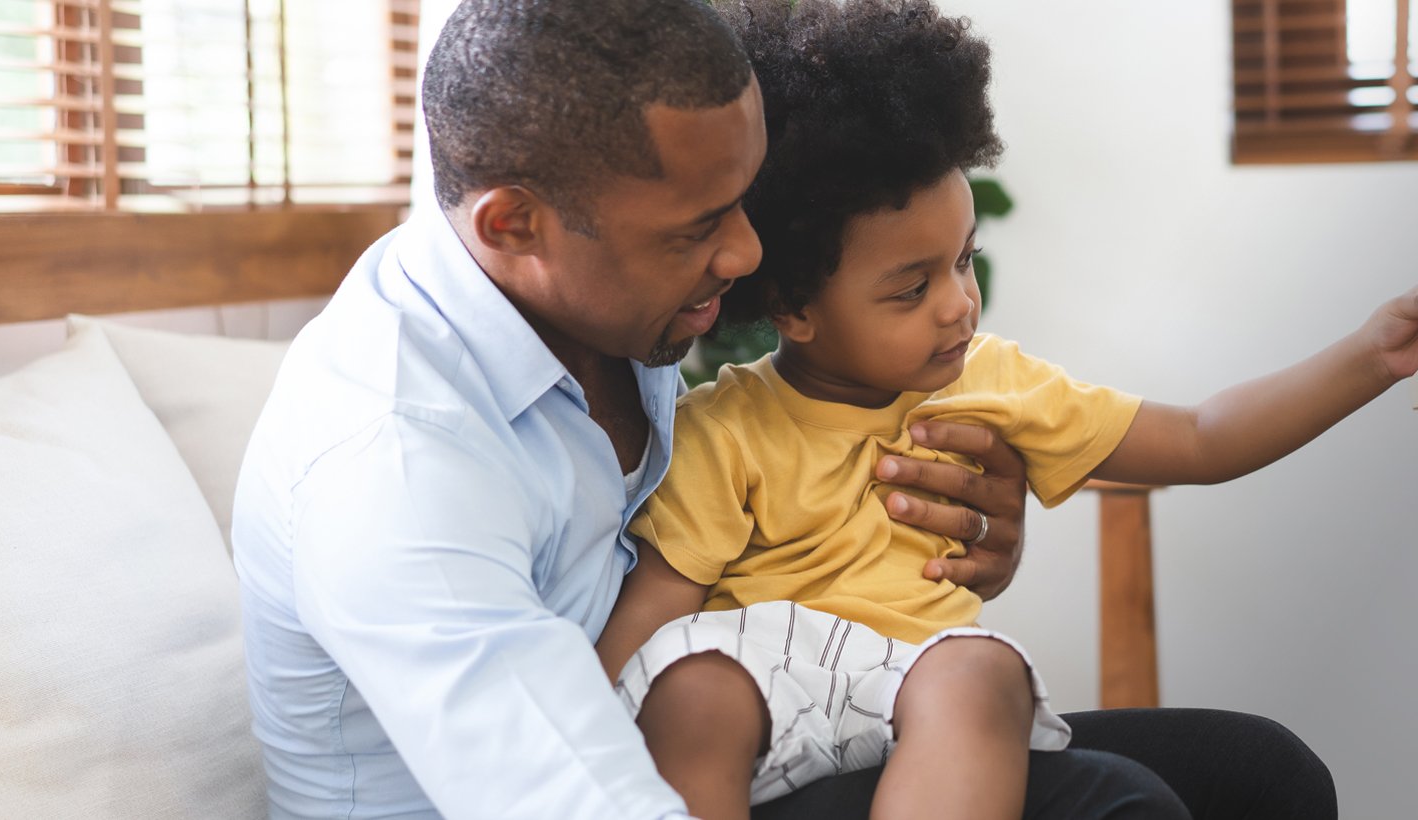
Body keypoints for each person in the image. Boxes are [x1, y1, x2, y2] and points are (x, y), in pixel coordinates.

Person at [232, 0, 1337, 818]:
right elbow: (567, 793)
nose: (750, 256)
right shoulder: (389, 459)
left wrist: (961, 529)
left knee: (1262, 777)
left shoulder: (617, 298)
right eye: (698, 226)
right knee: (1116, 806)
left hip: (750, 715)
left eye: (744, 201)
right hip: (606, 784)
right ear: (513, 224)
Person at [597, 1, 1418, 819]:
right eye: (911, 289)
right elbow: (649, 619)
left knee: (983, 670)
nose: (959, 304)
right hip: (766, 705)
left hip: (916, 701)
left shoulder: (995, 382)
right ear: (791, 308)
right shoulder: (728, 429)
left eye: (962, 261)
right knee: (690, 687)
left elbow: (1203, 437)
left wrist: (1373, 357)